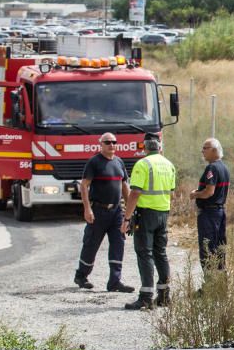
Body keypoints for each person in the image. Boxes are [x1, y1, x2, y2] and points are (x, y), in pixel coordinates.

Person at [120, 132, 176, 310]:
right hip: (163, 213)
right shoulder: (169, 164)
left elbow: (135, 193)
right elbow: (172, 192)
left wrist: (126, 218)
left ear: (144, 147)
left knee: (145, 253)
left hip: (146, 215)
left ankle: (145, 297)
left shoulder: (142, 164)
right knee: (161, 253)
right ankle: (164, 295)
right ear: (159, 147)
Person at [74, 133, 135, 293]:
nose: (111, 145)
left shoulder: (119, 162)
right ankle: (81, 275)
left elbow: (125, 187)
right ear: (101, 144)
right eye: (107, 142)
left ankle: (115, 281)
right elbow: (84, 186)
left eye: (114, 142)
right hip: (98, 211)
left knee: (118, 244)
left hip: (116, 212)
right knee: (91, 244)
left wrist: (129, 211)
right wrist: (87, 209)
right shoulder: (94, 162)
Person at [190, 138, 230, 271]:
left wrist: (195, 194)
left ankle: (210, 285)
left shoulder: (211, 168)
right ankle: (220, 285)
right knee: (219, 247)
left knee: (207, 248)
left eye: (205, 148)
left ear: (214, 150)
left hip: (209, 213)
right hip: (220, 212)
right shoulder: (224, 167)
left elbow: (209, 192)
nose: (202, 151)